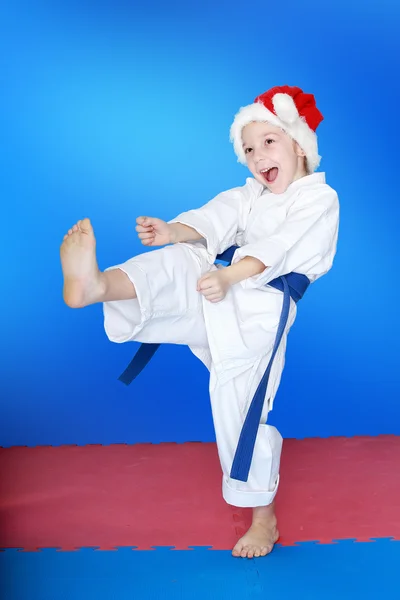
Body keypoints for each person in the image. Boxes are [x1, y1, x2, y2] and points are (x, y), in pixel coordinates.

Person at [60, 85, 339, 559]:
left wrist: (231, 275)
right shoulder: (249, 194)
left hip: (261, 312)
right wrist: (174, 230)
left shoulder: (319, 199)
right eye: (248, 148)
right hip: (221, 287)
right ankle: (99, 286)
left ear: (297, 143)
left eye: (268, 142)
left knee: (238, 408)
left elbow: (282, 249)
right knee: (184, 259)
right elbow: (216, 217)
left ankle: (263, 519)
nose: (256, 155)